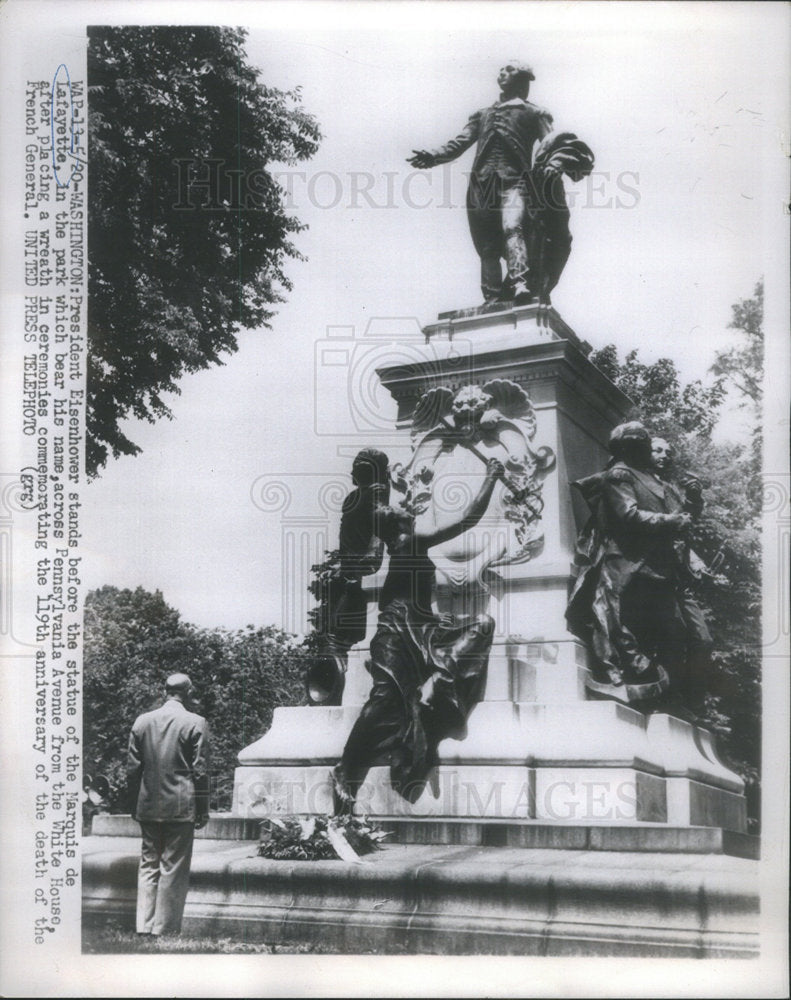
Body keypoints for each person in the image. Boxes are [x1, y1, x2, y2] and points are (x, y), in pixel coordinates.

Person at [332, 457, 504, 807]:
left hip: (425, 629)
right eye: (401, 515)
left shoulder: (407, 539)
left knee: (482, 625)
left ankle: (437, 683)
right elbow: (468, 517)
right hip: (395, 632)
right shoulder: (410, 542)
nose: (407, 512)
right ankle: (346, 768)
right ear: (395, 529)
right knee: (384, 698)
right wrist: (491, 477)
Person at [407, 62, 590, 305]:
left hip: (516, 183)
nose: (502, 73)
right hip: (481, 186)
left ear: (523, 79)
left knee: (512, 227)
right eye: (501, 70)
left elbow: (553, 143)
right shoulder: (481, 115)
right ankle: (492, 298)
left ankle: (520, 282)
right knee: (487, 245)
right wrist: (432, 156)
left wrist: (557, 164)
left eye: (509, 70)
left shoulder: (535, 113)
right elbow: (458, 144)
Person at [566, 422, 699, 711]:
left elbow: (677, 516)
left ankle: (659, 689)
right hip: (626, 562)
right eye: (637, 442)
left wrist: (692, 504)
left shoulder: (653, 480)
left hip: (655, 565)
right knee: (619, 623)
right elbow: (628, 514)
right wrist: (671, 522)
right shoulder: (620, 473)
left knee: (671, 630)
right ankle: (621, 676)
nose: (642, 444)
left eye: (643, 440)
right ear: (625, 446)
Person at [127, 673, 210, 936]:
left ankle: (143, 925)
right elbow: (201, 771)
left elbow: (133, 769)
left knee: (148, 864)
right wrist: (203, 807)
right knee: (173, 868)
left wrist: (134, 803)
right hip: (180, 804)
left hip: (149, 803)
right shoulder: (196, 722)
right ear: (188, 691)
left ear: (165, 691)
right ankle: (164, 929)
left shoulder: (142, 721)